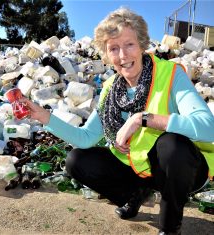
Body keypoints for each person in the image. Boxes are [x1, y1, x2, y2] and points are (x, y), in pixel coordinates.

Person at [21, 7, 214, 235]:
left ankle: (170, 227)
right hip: (141, 170)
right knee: (76, 160)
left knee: (171, 144)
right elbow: (85, 138)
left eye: (129, 44)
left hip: (182, 168)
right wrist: (44, 117)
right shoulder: (111, 91)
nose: (123, 56)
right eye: (114, 48)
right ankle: (135, 194)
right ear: (107, 55)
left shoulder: (171, 75)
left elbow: (208, 128)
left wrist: (142, 119)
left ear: (142, 45)